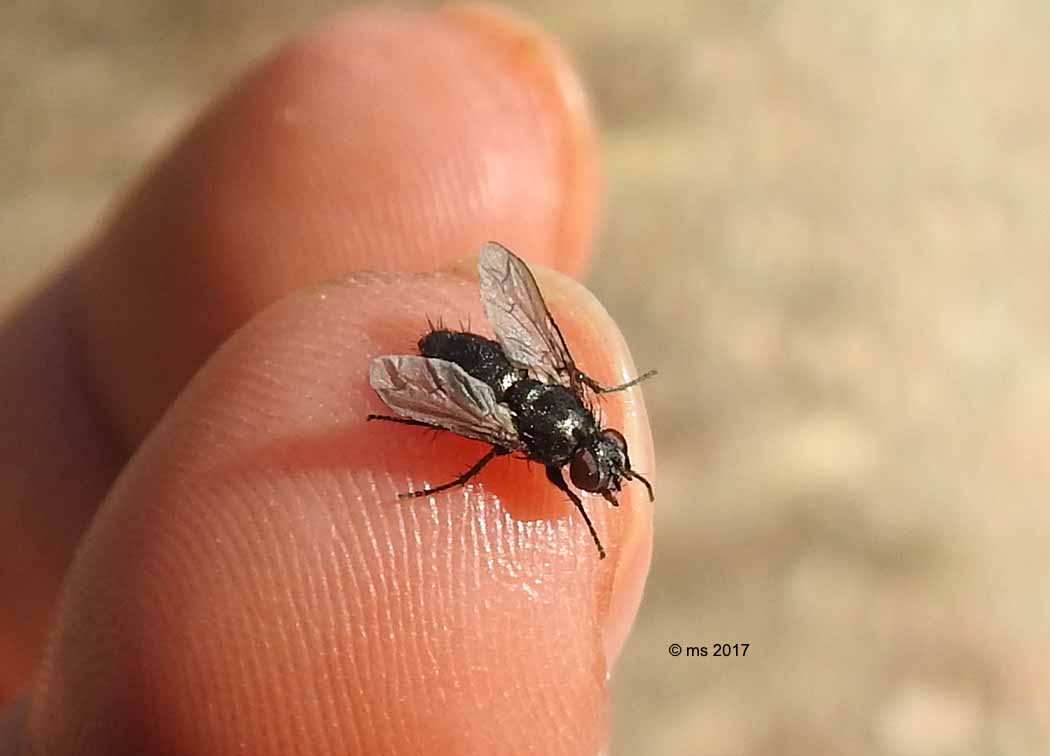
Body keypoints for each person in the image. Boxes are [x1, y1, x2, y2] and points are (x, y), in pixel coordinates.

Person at [0, 5, 654, 754]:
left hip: (503, 365)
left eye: (594, 464)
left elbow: (526, 328)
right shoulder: (539, 444)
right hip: (482, 383)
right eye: (592, 464)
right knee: (465, 428)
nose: (594, 475)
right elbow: (478, 430)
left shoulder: (564, 395)